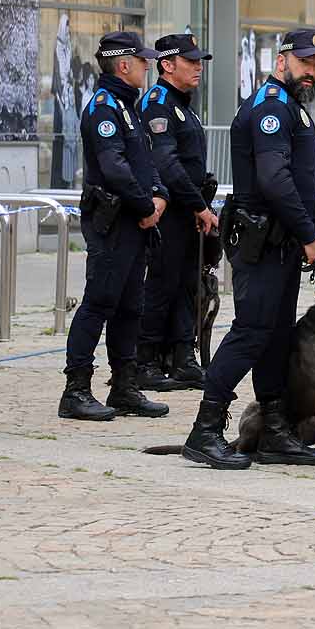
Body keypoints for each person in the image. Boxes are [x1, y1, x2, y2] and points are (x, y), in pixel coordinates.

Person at [182, 29, 315, 469]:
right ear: (282, 60)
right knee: (251, 333)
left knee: (276, 338)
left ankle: (274, 431)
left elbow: (305, 184)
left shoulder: (292, 108)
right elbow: (275, 180)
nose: (312, 71)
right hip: (262, 242)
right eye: (306, 62)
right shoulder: (270, 107)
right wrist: (309, 235)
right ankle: (204, 430)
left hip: (284, 243)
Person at [61, 31, 170, 422]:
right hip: (113, 223)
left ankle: (125, 386)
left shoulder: (128, 106)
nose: (148, 67)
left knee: (129, 307)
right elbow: (114, 168)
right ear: (123, 65)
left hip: (135, 221)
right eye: (143, 62)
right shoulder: (104, 107)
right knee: (99, 303)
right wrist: (145, 205)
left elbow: (145, 162)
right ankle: (76, 390)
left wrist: (159, 197)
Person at [136, 33, 219, 394]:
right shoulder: (159, 103)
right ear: (167, 65)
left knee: (188, 285)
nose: (198, 68)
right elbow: (167, 164)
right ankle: (146, 361)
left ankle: (184, 357)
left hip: (188, 210)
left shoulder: (182, 103)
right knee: (161, 284)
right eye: (191, 62)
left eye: (200, 61)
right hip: (170, 209)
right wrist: (199, 205)